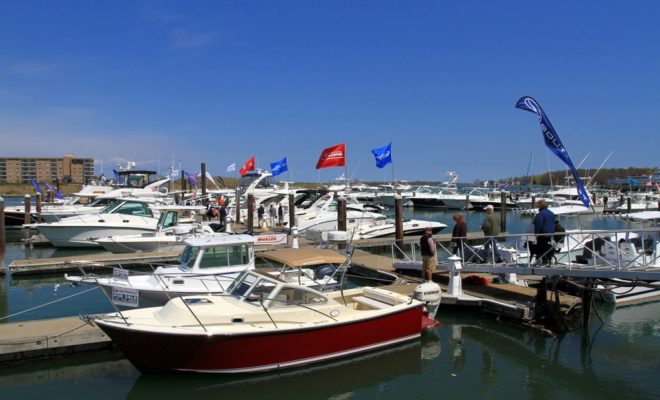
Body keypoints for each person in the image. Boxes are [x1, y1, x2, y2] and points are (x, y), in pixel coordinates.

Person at [533, 200, 555, 265]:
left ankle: (543, 261)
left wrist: (536, 234)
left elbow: (538, 224)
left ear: (540, 206)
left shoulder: (540, 214)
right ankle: (548, 260)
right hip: (550, 233)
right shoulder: (551, 213)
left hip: (542, 233)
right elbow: (553, 222)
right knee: (546, 247)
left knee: (540, 247)